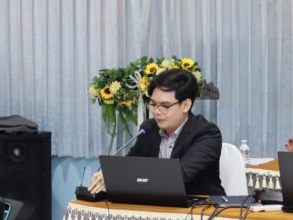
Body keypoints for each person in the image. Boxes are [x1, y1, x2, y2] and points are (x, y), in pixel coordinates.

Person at [88, 68, 224, 196]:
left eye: (165, 106)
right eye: (153, 104)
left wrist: (128, 175)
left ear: (185, 105)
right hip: (158, 204)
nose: (156, 111)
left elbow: (180, 176)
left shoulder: (207, 133)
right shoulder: (149, 128)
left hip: (201, 207)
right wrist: (110, 174)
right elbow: (132, 163)